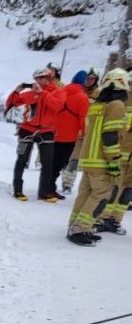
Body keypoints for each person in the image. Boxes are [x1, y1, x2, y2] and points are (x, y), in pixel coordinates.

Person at [67, 68, 128, 245]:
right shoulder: (116, 105)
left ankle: (75, 225)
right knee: (102, 194)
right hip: (101, 161)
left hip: (88, 159)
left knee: (85, 194)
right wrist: (114, 162)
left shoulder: (97, 105)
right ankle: (80, 229)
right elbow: (110, 136)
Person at [11, 67, 62, 201]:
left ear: (49, 79)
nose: (38, 81)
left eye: (41, 78)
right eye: (36, 79)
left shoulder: (57, 92)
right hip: (27, 129)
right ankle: (17, 190)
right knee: (22, 159)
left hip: (47, 131)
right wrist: (17, 91)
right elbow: (14, 102)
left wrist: (43, 93)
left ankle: (44, 192)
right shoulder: (30, 93)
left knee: (47, 162)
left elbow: (57, 106)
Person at [47, 71, 92, 200]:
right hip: (69, 136)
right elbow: (82, 119)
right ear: (83, 83)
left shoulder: (60, 91)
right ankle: (49, 188)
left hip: (52, 132)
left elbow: (49, 104)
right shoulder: (82, 97)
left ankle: (47, 186)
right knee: (59, 163)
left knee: (51, 161)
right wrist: (84, 134)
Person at [96, 77, 132, 235]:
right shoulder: (124, 98)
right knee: (115, 186)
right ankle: (103, 218)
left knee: (128, 190)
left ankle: (115, 220)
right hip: (122, 150)